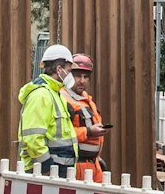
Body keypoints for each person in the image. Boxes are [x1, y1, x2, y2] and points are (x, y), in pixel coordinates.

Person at [17, 44, 77, 176]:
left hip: (56, 171)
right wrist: (47, 166)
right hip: (45, 172)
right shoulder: (41, 95)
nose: (70, 74)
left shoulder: (55, 93)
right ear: (59, 69)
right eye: (69, 70)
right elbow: (33, 138)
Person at [64, 53, 110, 183]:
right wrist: (89, 132)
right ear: (69, 76)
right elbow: (62, 134)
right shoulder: (64, 99)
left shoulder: (87, 101)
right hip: (76, 166)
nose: (82, 81)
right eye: (78, 76)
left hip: (94, 164)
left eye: (86, 77)